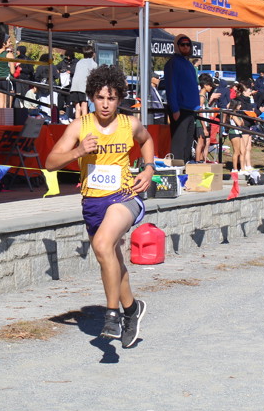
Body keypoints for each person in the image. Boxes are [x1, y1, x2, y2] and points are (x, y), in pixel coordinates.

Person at [45, 65, 155, 347]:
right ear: (92, 97)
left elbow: (147, 140)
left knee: (104, 244)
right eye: (100, 98)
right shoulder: (79, 127)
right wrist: (79, 151)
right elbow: (50, 163)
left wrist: (149, 168)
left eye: (112, 98)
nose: (106, 104)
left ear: (119, 99)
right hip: (93, 203)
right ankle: (132, 309)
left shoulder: (130, 124)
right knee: (111, 259)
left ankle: (112, 315)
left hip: (124, 197)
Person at [163, 34, 200, 162]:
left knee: (188, 145)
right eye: (182, 44)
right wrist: (175, 109)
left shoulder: (188, 64)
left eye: (188, 44)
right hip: (180, 109)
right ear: (177, 46)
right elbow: (171, 87)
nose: (185, 47)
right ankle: (177, 169)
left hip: (191, 110)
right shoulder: (173, 63)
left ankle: (185, 168)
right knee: (179, 145)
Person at [69, 46, 98, 118]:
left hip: (74, 87)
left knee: (77, 108)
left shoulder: (79, 62)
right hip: (83, 87)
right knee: (84, 106)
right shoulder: (93, 64)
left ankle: (77, 123)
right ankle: (84, 123)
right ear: (93, 54)